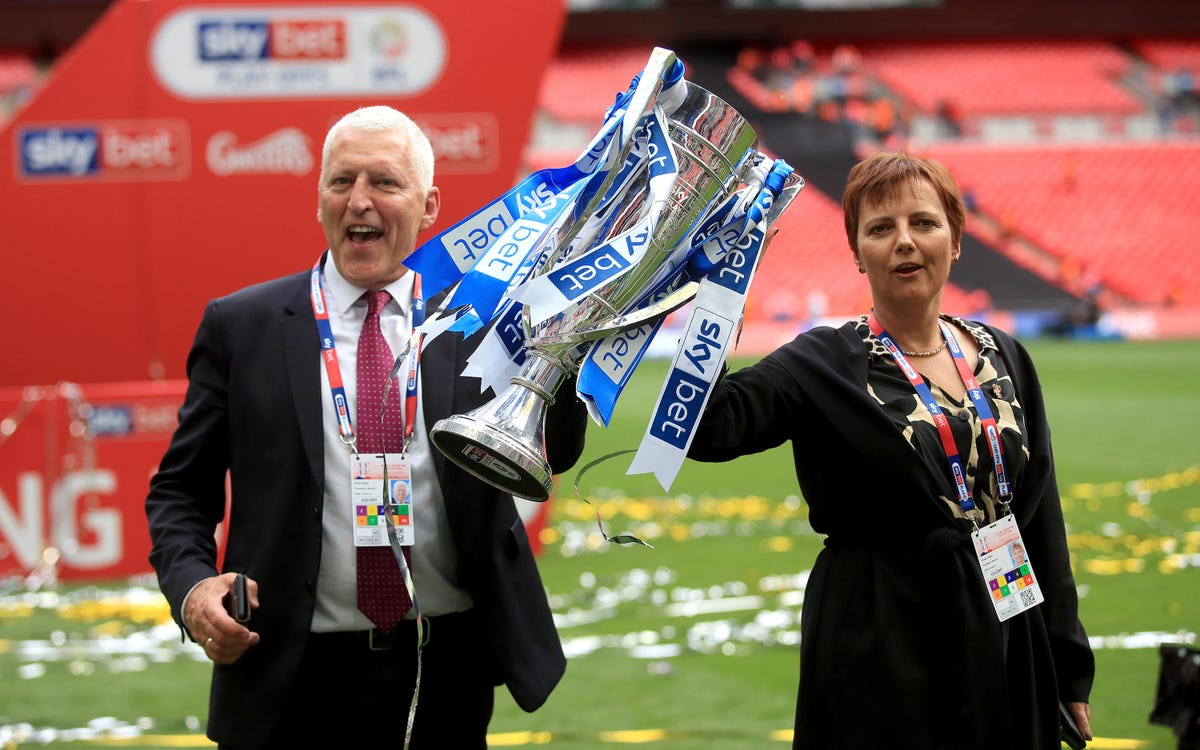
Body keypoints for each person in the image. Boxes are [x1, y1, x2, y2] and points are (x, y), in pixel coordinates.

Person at [145, 105, 588, 749]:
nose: (359, 201)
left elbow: (559, 451)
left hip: (448, 667)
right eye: (341, 181)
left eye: (384, 182)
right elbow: (179, 493)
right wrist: (191, 588)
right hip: (290, 673)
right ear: (318, 198)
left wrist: (571, 346)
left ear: (429, 205)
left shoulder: (489, 322)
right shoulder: (243, 326)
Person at [688, 152, 1094, 749]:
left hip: (1009, 629)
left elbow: (1042, 518)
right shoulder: (821, 361)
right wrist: (717, 301)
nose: (904, 241)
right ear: (856, 252)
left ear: (955, 240)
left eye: (923, 223)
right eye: (880, 229)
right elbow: (709, 428)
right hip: (879, 642)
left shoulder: (1005, 354)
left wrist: (1065, 662)